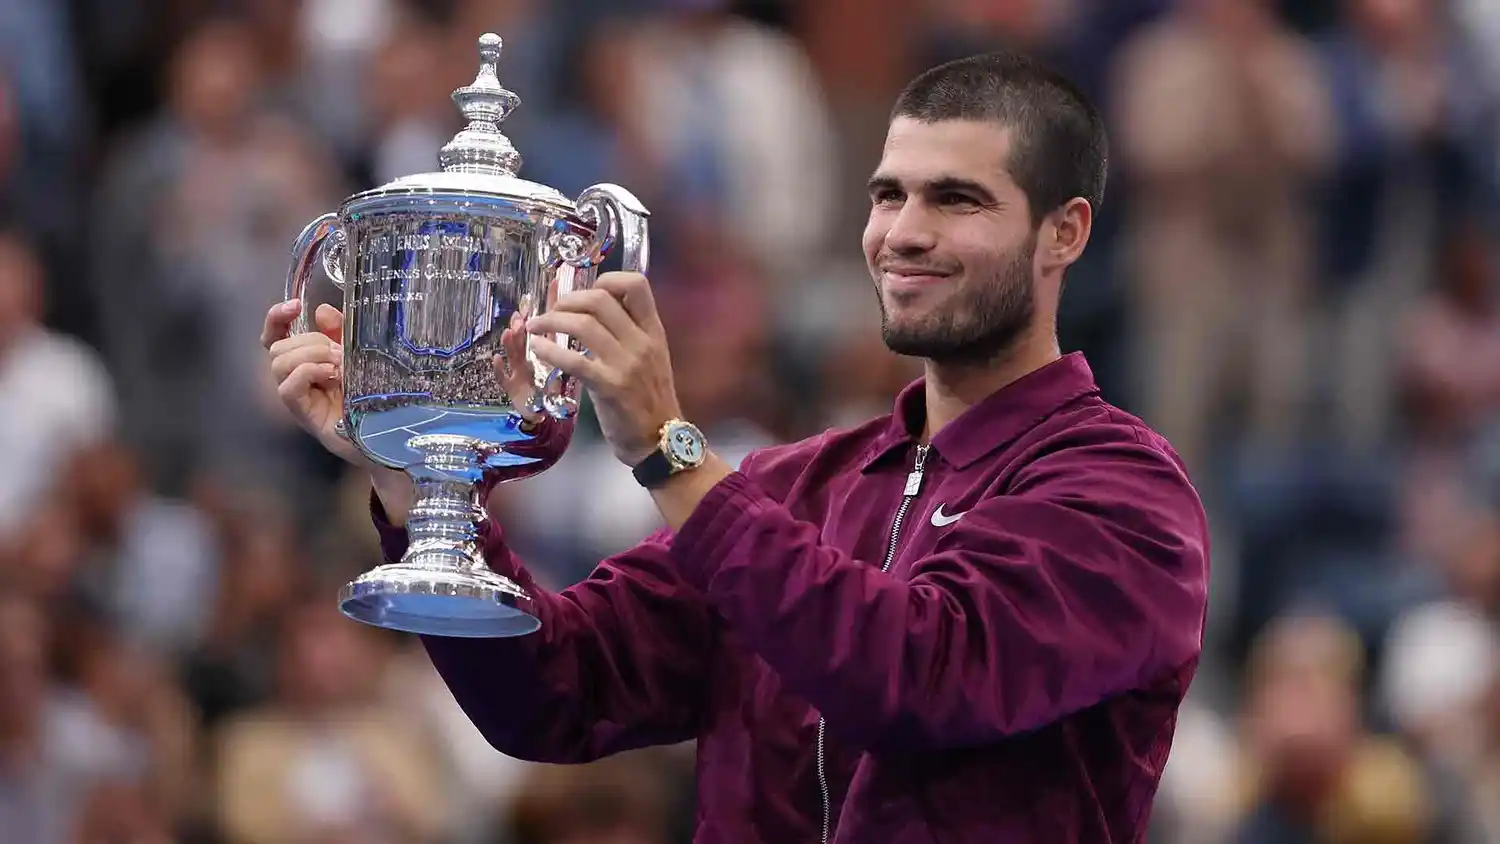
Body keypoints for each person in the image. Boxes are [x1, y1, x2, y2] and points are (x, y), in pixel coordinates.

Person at [263, 50, 1210, 843]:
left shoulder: (1124, 499)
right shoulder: (796, 487)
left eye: (957, 200)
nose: (905, 234)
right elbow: (553, 691)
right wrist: (410, 474)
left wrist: (671, 453)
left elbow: (917, 679)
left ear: (1065, 234)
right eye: (889, 195)